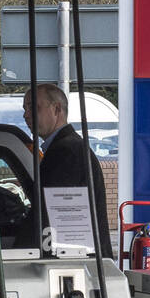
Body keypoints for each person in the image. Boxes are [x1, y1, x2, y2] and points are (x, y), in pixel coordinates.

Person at [23, 83, 114, 258]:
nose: (26, 115)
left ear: (56, 109)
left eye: (33, 107)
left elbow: (49, 211)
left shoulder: (66, 151)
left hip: (74, 259)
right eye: (25, 108)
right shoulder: (70, 146)